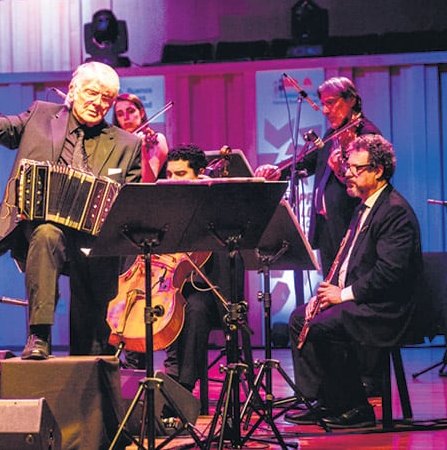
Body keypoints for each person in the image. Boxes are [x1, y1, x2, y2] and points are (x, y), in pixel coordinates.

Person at [0, 62, 143, 360]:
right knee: (47, 234)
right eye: (91, 93)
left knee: (91, 345)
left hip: (94, 238)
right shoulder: (41, 115)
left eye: (106, 98)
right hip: (43, 227)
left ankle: (90, 353)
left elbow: (131, 199)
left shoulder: (128, 144)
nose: (98, 103)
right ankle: (39, 334)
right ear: (73, 92)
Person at [285, 134, 421, 429]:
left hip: (387, 308)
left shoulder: (394, 211)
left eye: (356, 169)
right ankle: (325, 399)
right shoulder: (363, 207)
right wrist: (322, 295)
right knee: (300, 318)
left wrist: (342, 295)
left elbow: (390, 274)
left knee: (324, 326)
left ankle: (357, 407)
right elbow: (345, 261)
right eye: (349, 167)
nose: (348, 173)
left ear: (378, 170)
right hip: (364, 299)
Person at [254, 77, 381, 276]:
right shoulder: (334, 133)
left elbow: (369, 184)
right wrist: (277, 170)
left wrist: (342, 172)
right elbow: (307, 160)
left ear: (351, 100)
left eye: (330, 103)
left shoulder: (368, 134)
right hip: (326, 226)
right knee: (330, 280)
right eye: (323, 104)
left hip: (350, 224)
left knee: (348, 278)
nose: (325, 111)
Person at [158, 144, 252, 393]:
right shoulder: (165, 204)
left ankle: (183, 386)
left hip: (215, 292)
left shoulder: (218, 202)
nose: (173, 181)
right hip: (182, 288)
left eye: (180, 175)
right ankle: (174, 382)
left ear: (200, 173)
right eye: (169, 175)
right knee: (185, 307)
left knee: (196, 307)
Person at [113, 93, 168, 183]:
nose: (126, 117)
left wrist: (141, 148)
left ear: (141, 113)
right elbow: (111, 174)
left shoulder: (157, 139)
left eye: (130, 111)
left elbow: (148, 182)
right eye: (120, 114)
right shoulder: (117, 143)